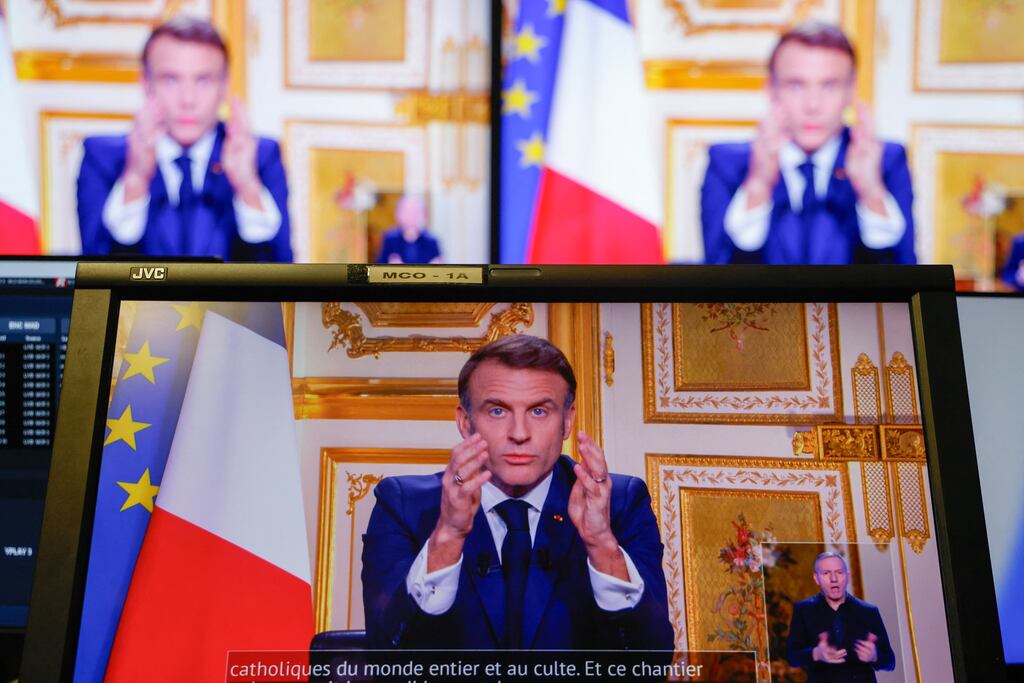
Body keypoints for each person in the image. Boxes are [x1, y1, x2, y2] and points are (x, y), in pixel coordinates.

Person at [361, 335, 674, 650]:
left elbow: (651, 660)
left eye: (539, 411)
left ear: (567, 421)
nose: (519, 434)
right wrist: (448, 537)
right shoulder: (402, 504)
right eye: (498, 411)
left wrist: (602, 545)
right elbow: (386, 656)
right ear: (465, 422)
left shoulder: (621, 503)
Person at [77, 17, 292, 262]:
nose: (188, 100)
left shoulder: (262, 156)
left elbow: (282, 278)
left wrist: (247, 187)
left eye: (203, 80)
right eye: (171, 79)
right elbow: (92, 276)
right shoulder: (103, 157)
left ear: (225, 86)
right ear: (146, 84)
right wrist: (135, 179)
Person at [701, 22, 915, 265]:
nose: (813, 105)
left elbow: (906, 284)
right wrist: (758, 185)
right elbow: (716, 282)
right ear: (771, 89)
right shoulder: (728, 163)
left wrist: (870, 191)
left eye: (829, 86)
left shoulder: (887, 161)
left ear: (850, 91)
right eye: (796, 85)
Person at [786, 552, 896, 682]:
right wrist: (816, 653)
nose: (834, 579)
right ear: (816, 579)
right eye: (826, 573)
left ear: (847, 576)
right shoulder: (804, 610)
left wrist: (874, 656)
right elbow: (792, 656)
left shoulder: (869, 611)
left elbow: (890, 661)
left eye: (839, 572)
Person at [375, 195, 442, 264]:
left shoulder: (431, 241)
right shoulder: (390, 239)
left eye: (415, 212)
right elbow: (378, 267)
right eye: (407, 212)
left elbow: (440, 268)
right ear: (398, 214)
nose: (411, 216)